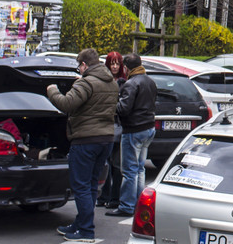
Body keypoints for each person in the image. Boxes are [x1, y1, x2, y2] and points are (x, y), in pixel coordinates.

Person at [46, 48, 119, 242]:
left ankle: (86, 231)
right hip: (106, 139)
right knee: (92, 185)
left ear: (84, 65)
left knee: (81, 186)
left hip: (86, 140)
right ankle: (79, 223)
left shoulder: (86, 82)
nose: (79, 70)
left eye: (79, 66)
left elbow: (66, 104)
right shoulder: (111, 82)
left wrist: (52, 90)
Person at [109, 53, 158, 218]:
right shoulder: (150, 81)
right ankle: (138, 202)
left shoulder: (131, 83)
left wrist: (115, 100)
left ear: (126, 67)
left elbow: (123, 109)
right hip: (149, 128)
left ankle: (127, 205)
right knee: (139, 168)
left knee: (129, 170)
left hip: (134, 129)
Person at [96, 51, 127, 209]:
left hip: (118, 127)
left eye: (117, 63)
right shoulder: (102, 80)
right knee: (104, 163)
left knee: (116, 165)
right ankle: (104, 196)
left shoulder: (124, 82)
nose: (115, 66)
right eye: (112, 63)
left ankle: (115, 198)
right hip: (105, 126)